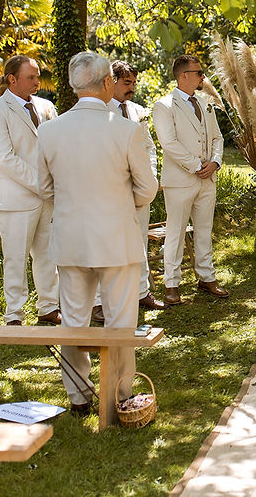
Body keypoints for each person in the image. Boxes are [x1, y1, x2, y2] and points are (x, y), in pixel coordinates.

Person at [37, 51, 158, 413]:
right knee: (121, 321)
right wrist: (124, 202)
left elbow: (44, 188)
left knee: (74, 320)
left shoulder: (49, 130)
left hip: (71, 237)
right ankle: (121, 395)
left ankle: (78, 396)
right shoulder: (127, 129)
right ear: (107, 82)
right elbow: (148, 187)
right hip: (117, 238)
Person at [0, 55, 60, 326]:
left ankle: (49, 306)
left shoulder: (47, 107)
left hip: (48, 199)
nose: (38, 82)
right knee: (15, 258)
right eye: (31, 77)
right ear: (12, 79)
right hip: (17, 198)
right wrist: (42, 184)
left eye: (38, 76)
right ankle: (14, 314)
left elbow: (57, 148)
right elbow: (4, 158)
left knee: (48, 255)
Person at [92, 61, 164, 323]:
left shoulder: (136, 110)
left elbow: (149, 148)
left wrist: (150, 177)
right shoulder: (99, 110)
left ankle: (141, 291)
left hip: (140, 188)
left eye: (134, 83)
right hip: (111, 190)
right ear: (111, 82)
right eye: (127, 83)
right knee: (107, 245)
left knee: (139, 241)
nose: (132, 88)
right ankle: (100, 302)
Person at [152, 54, 228, 305]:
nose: (203, 77)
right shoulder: (164, 105)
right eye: (199, 72)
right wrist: (196, 165)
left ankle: (206, 277)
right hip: (181, 180)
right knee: (176, 231)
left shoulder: (205, 103)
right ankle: (171, 284)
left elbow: (217, 137)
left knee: (205, 230)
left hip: (207, 179)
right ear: (184, 75)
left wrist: (215, 162)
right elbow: (169, 143)